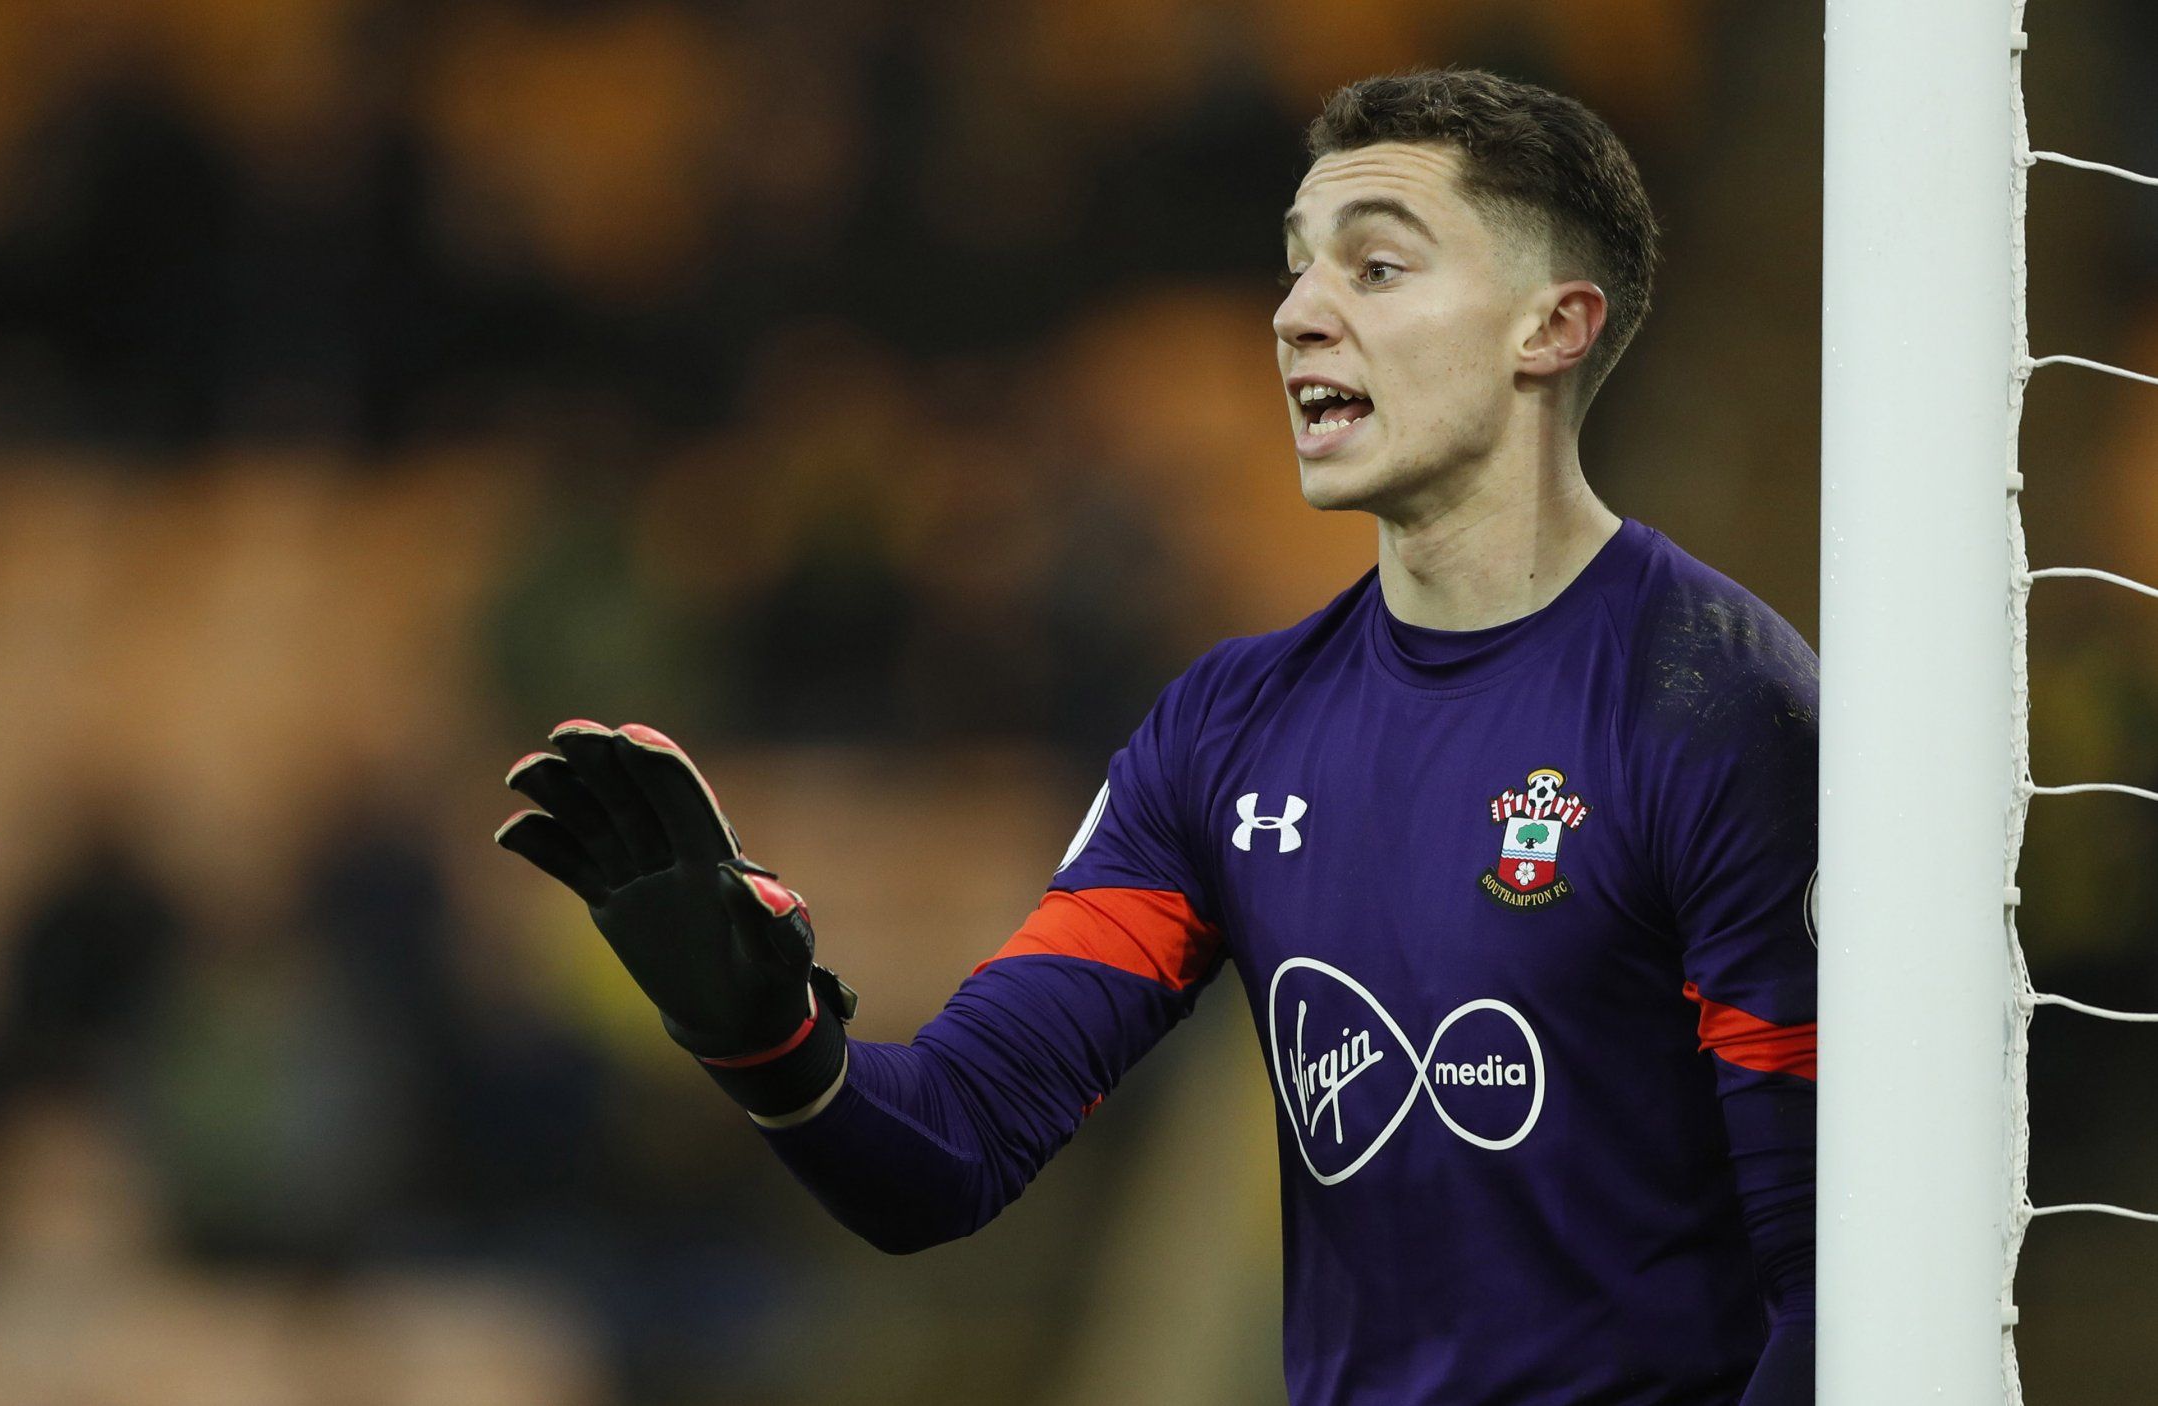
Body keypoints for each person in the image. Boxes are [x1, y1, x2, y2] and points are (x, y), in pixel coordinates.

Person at [495, 68, 1815, 1406]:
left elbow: (1834, 1275)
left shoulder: (1722, 711)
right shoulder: (1228, 730)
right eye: (1299, 269)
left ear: (1553, 327)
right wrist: (767, 1038)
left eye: (1375, 268)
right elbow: (952, 1146)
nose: (1298, 315)